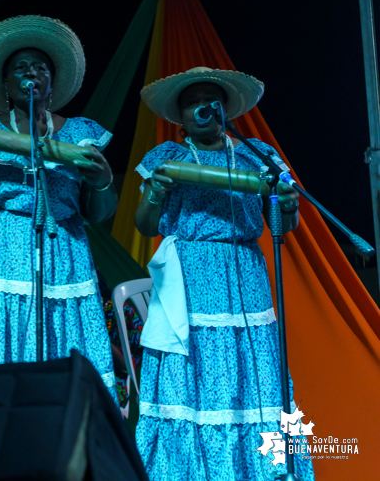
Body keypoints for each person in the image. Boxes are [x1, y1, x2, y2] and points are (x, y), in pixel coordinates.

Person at [133, 66, 314, 480]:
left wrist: (288, 203)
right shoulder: (167, 157)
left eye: (210, 99)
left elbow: (283, 228)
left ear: (225, 108)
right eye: (192, 101)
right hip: (191, 275)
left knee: (252, 372)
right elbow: (145, 225)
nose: (203, 107)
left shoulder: (257, 155)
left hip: (246, 270)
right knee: (196, 370)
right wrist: (158, 190)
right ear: (180, 115)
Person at [0, 16, 118, 393]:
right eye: (20, 67)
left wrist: (102, 182)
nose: (31, 73)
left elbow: (98, 213)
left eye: (40, 67)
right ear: (6, 84)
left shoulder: (79, 134)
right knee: (1, 345)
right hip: (2, 246)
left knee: (63, 339)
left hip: (64, 247)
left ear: (51, 81)